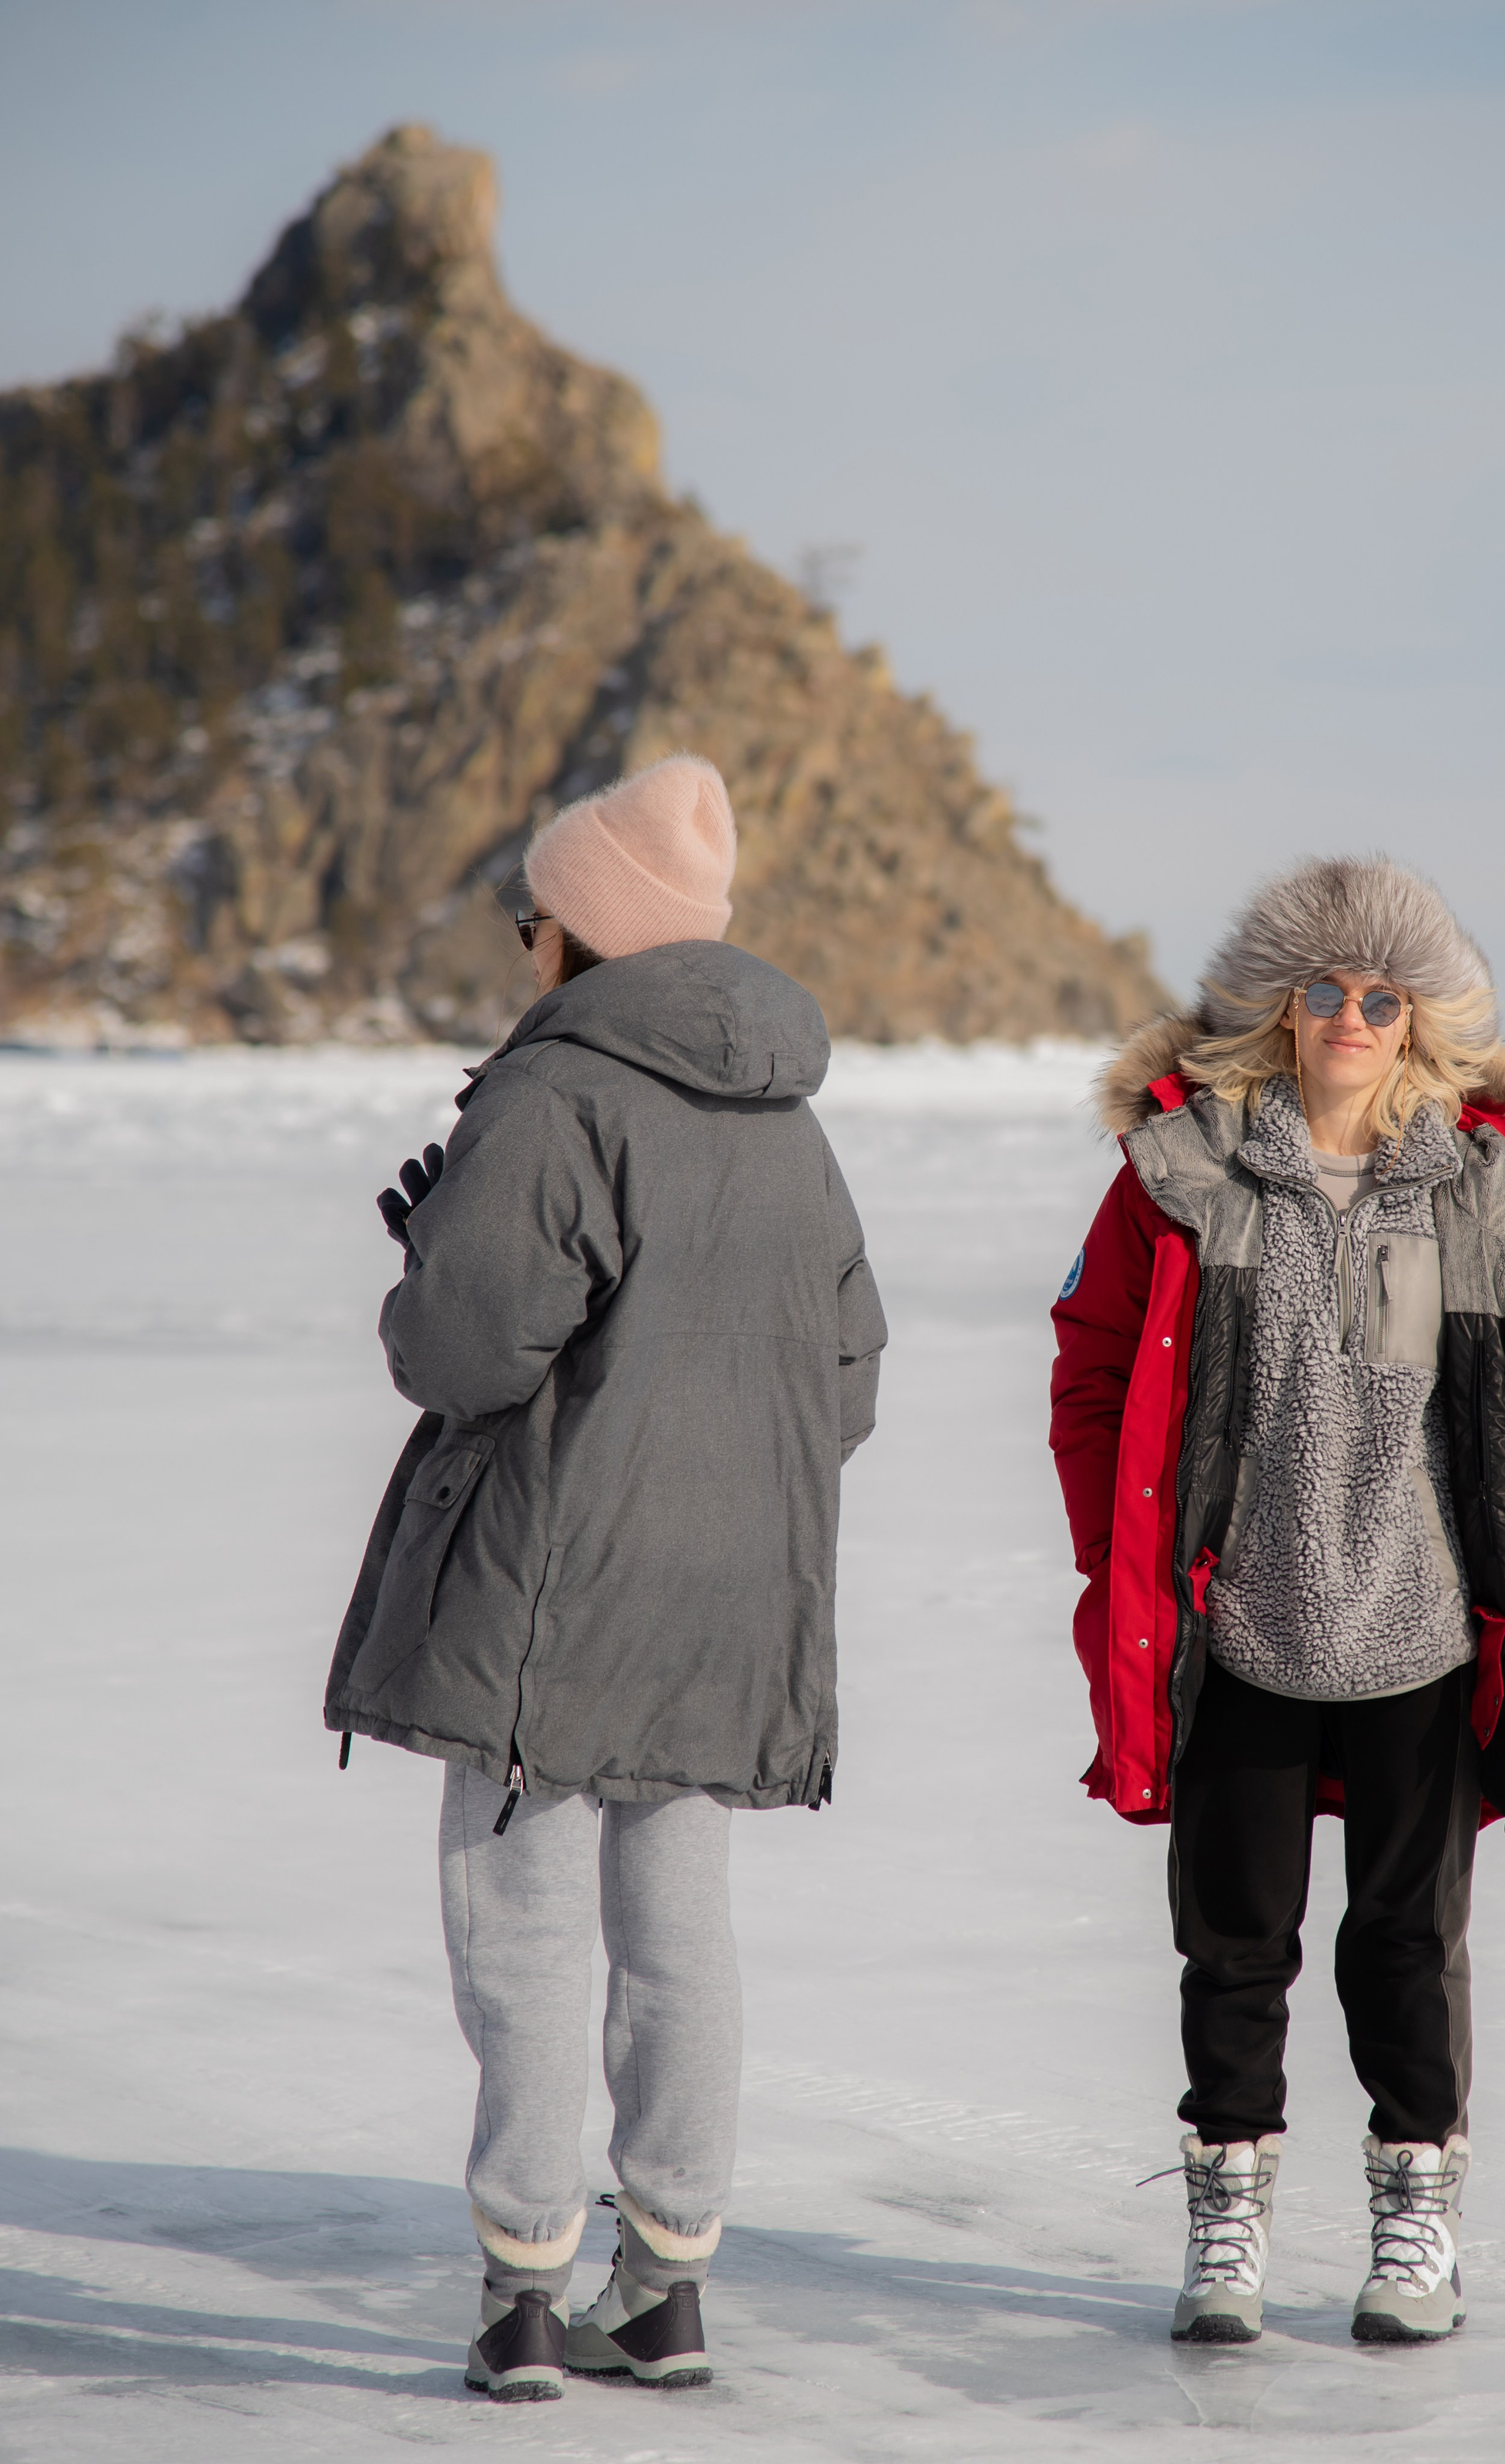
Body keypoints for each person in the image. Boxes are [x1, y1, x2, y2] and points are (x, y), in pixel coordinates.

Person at [325, 755, 887, 2402]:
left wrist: (431, 1262)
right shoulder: (788, 1121)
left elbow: (460, 1354)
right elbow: (846, 1376)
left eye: (532, 916)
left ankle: (522, 2288)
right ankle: (665, 2287)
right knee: (678, 1933)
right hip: (732, 1597)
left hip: (552, 1584)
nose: (523, 944)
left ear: (581, 930)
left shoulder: (552, 1096)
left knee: (521, 1927)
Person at [1048, 856, 1505, 2347]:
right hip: (1243, 1625)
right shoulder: (1185, 1176)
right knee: (1233, 1944)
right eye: (1323, 989)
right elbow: (1091, 1365)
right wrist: (1121, 1550)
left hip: (1424, 1632)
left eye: (1381, 995)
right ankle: (1225, 2222)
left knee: (1405, 1946)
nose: (1350, 1015)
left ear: (1420, 1023)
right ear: (1280, 1009)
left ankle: (1414, 2224)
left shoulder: (1488, 1195)